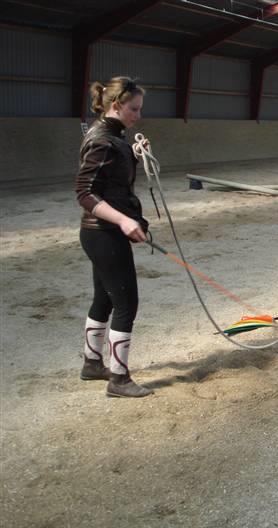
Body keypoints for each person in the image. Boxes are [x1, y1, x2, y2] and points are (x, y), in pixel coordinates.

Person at [75, 76, 153, 398]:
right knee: (126, 303)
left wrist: (135, 153)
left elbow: (112, 178)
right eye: (134, 109)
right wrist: (123, 221)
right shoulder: (102, 140)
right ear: (116, 105)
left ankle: (93, 363)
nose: (138, 115)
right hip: (104, 234)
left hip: (101, 234)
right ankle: (119, 379)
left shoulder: (113, 136)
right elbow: (85, 192)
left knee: (104, 298)